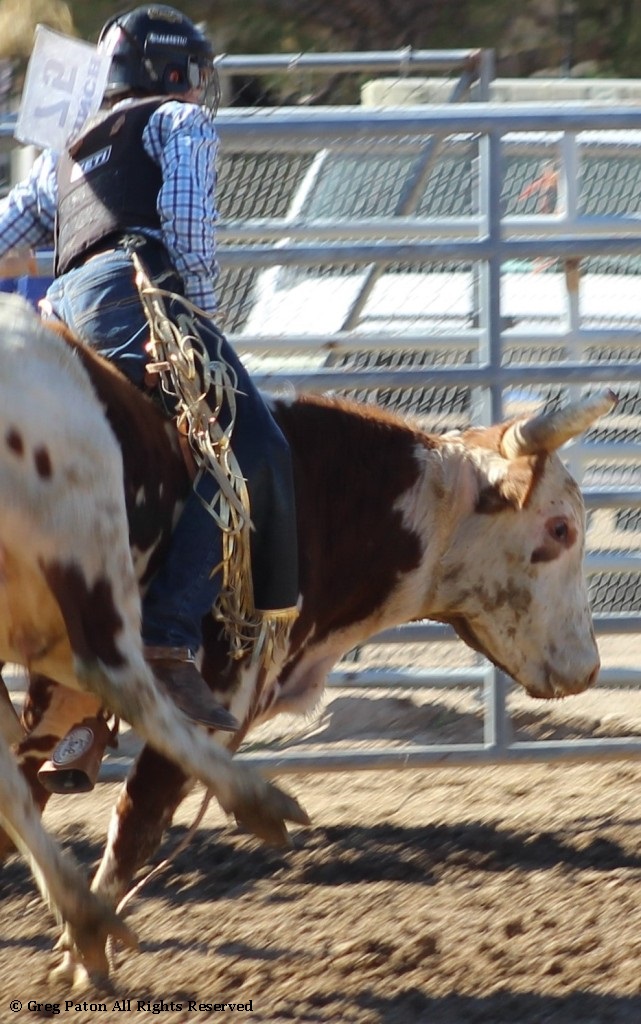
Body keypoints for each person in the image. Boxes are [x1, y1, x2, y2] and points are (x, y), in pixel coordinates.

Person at [0, 5, 299, 731]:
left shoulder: (64, 151)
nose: (199, 88)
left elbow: (7, 225)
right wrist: (196, 315)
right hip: (137, 289)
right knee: (248, 444)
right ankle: (169, 640)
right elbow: (188, 221)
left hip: (63, 314)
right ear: (173, 73)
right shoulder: (179, 121)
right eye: (194, 74)